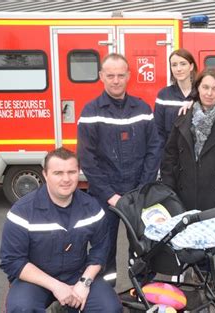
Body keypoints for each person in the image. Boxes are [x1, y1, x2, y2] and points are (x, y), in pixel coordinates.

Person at [0, 147, 122, 313]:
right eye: (58, 173)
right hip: (35, 279)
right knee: (21, 308)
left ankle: (65, 307)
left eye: (71, 172)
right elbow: (12, 260)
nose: (66, 179)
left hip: (77, 274)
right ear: (45, 174)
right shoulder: (22, 211)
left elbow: (100, 250)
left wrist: (84, 283)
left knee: (110, 309)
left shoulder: (92, 207)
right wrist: (57, 287)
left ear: (78, 172)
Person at [77, 53, 161, 285]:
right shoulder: (91, 111)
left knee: (144, 245)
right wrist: (109, 195)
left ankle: (142, 291)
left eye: (120, 75)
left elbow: (154, 150)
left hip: (138, 195)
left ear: (128, 76)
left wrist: (141, 190)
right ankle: (105, 293)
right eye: (110, 75)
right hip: (105, 197)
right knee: (103, 248)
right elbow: (87, 159)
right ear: (101, 77)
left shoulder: (142, 109)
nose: (116, 80)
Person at [161, 67, 215, 296]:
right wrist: (168, 190)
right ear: (197, 88)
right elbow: (170, 155)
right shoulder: (184, 114)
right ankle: (203, 282)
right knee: (197, 239)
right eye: (205, 87)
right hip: (188, 190)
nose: (209, 93)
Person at [154, 48, 198, 148]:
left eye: (183, 64)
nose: (178, 69)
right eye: (174, 65)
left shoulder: (201, 94)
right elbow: (158, 131)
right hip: (172, 155)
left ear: (191, 66)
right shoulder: (164, 95)